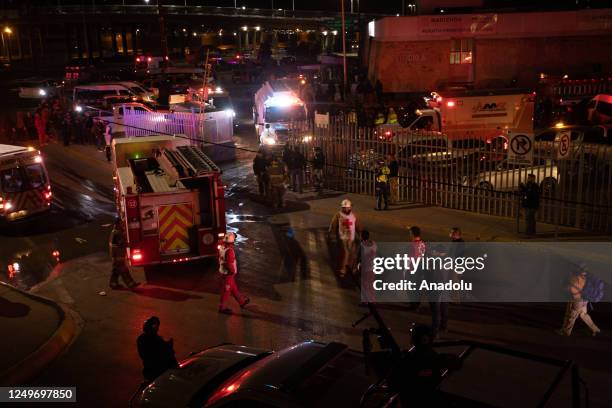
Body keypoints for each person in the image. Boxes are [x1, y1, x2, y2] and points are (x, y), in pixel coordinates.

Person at [558, 264, 601, 336]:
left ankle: (565, 332)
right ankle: (595, 329)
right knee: (583, 314)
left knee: (570, 317)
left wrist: (565, 286)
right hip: (584, 300)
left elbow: (570, 289)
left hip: (576, 300)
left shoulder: (575, 278)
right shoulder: (586, 277)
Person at [136, 316, 179, 382]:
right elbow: (152, 354)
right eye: (154, 325)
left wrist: (168, 346)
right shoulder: (145, 339)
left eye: (156, 326)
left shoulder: (155, 338)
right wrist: (167, 347)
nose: (156, 328)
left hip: (159, 369)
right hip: (157, 370)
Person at [218, 232, 250, 314]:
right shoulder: (230, 251)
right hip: (228, 274)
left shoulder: (222, 247)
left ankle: (242, 302)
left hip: (223, 271)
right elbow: (229, 263)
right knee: (226, 291)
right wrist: (232, 272)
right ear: (232, 242)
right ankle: (222, 308)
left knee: (234, 288)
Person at [329, 199, 361, 277]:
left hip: (351, 238)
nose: (346, 209)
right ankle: (343, 269)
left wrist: (361, 234)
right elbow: (333, 226)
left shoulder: (353, 216)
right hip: (342, 238)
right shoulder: (338, 215)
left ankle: (352, 268)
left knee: (353, 253)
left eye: (347, 208)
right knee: (345, 253)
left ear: (350, 208)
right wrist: (332, 236)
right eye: (344, 208)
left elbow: (357, 226)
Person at [109, 219, 140, 289]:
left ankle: (113, 284)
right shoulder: (118, 233)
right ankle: (131, 284)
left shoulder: (114, 232)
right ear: (117, 224)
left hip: (115, 256)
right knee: (124, 270)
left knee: (116, 270)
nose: (122, 225)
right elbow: (122, 243)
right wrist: (132, 245)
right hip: (118, 256)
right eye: (121, 224)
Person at [355, 230, 377, 302]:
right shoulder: (374, 244)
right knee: (371, 285)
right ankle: (372, 301)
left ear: (362, 237)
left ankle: (366, 301)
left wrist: (356, 266)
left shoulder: (362, 245)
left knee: (365, 285)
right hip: (373, 268)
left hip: (365, 268)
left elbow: (359, 257)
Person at [408, 226, 426, 310]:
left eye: (410, 232)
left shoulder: (412, 245)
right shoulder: (422, 243)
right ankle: (417, 303)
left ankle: (413, 305)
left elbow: (410, 259)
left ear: (412, 234)